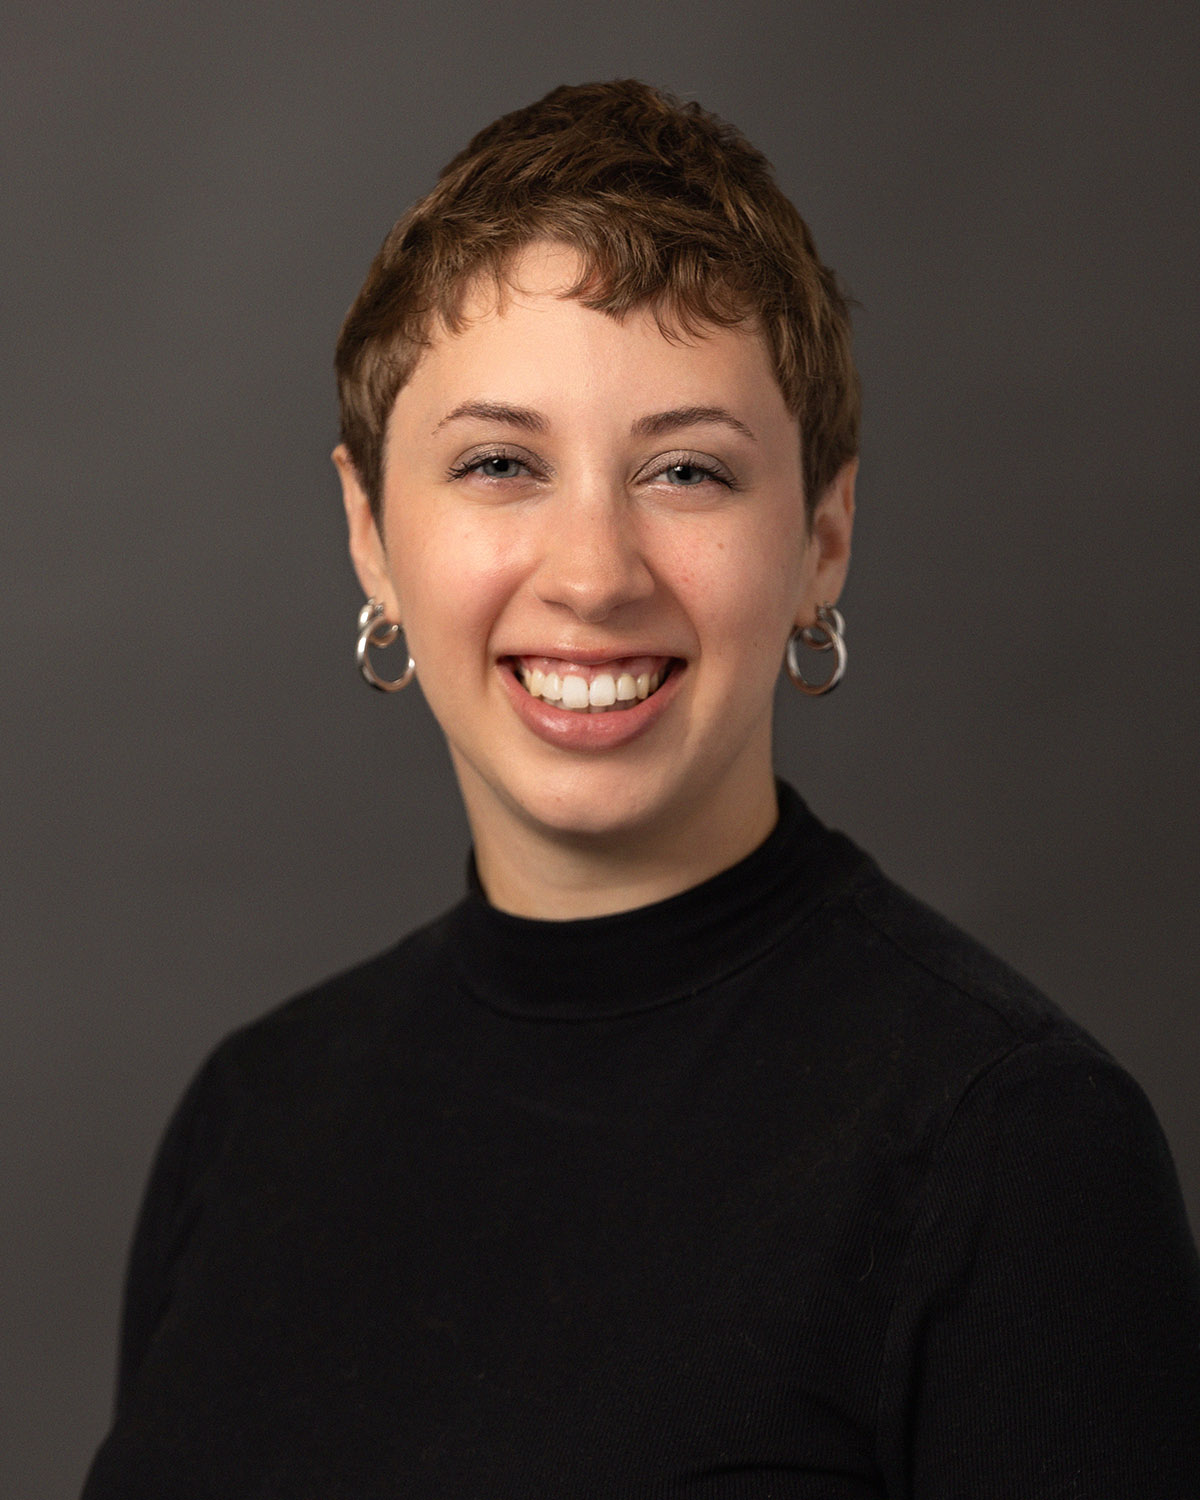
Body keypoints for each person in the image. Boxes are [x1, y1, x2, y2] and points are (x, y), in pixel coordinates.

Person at [83, 80, 1200, 1498]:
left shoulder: (1013, 1146)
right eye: (499, 464)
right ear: (371, 532)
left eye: (685, 471)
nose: (595, 572)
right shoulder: (249, 1118)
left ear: (824, 539)